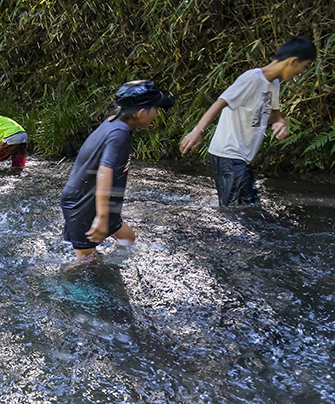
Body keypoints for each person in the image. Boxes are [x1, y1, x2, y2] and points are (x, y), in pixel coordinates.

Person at [179, 37, 317, 206]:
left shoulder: (273, 83)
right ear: (293, 61)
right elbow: (221, 102)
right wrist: (197, 131)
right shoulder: (252, 78)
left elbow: (272, 114)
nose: (302, 72)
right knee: (239, 212)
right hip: (228, 154)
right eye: (304, 66)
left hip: (241, 157)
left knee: (246, 208)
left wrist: (279, 122)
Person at [61, 81, 174, 260]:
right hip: (83, 203)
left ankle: (115, 267)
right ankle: (54, 282)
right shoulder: (118, 133)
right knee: (88, 262)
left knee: (128, 239)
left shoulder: (115, 124)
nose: (155, 114)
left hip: (98, 201)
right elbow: (104, 172)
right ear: (141, 113)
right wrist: (102, 217)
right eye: (154, 109)